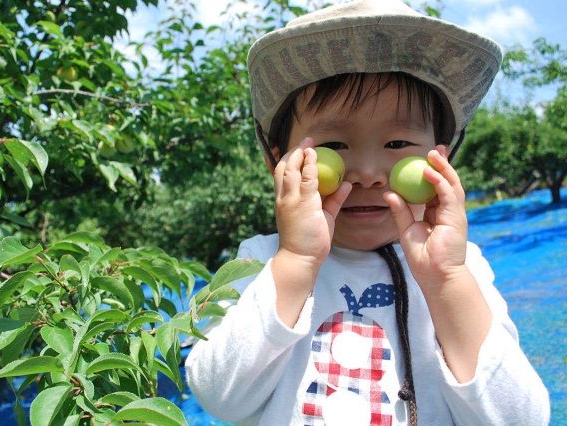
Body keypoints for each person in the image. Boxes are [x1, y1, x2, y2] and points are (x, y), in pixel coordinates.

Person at [185, 0, 551, 424]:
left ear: (441, 159)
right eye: (333, 147)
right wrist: (297, 262)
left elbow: (522, 418)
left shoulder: (461, 267)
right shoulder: (262, 262)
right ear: (277, 161)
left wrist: (447, 283)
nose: (368, 173)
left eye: (397, 145)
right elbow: (217, 396)